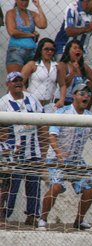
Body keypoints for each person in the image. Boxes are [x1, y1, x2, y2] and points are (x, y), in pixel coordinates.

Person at [38, 82, 92, 232]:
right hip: (57, 159)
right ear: (74, 95)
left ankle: (79, 220)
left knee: (89, 188)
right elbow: (52, 136)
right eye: (82, 93)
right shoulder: (62, 113)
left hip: (76, 160)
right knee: (56, 187)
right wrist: (58, 153)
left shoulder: (90, 117)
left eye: (88, 94)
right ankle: (43, 219)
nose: (86, 96)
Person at [0, 72, 44, 225]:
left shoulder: (32, 98)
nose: (18, 83)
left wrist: (44, 150)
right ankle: (3, 215)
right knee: (11, 184)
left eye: (20, 80)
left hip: (34, 150)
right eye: (14, 81)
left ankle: (32, 215)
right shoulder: (3, 102)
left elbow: (42, 122)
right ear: (8, 84)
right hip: (13, 153)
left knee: (34, 184)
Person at [21, 38, 65, 113]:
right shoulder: (32, 64)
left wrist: (62, 99)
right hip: (32, 103)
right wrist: (28, 96)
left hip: (49, 104)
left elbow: (62, 85)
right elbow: (20, 82)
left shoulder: (57, 66)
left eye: (52, 49)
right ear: (40, 50)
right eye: (46, 49)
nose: (49, 52)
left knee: (47, 124)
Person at [56, 39, 92, 109]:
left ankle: (87, 109)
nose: (78, 50)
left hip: (77, 101)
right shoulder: (62, 65)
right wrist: (73, 71)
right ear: (68, 51)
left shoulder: (83, 66)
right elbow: (64, 85)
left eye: (80, 48)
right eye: (75, 48)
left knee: (91, 83)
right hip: (64, 100)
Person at [5, 0, 47, 73]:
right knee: (15, 79)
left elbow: (43, 25)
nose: (24, 3)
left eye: (26, 0)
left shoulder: (31, 14)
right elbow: (12, 32)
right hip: (16, 51)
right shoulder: (11, 13)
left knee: (30, 81)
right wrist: (31, 35)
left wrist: (38, 6)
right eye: (22, 0)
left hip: (32, 51)